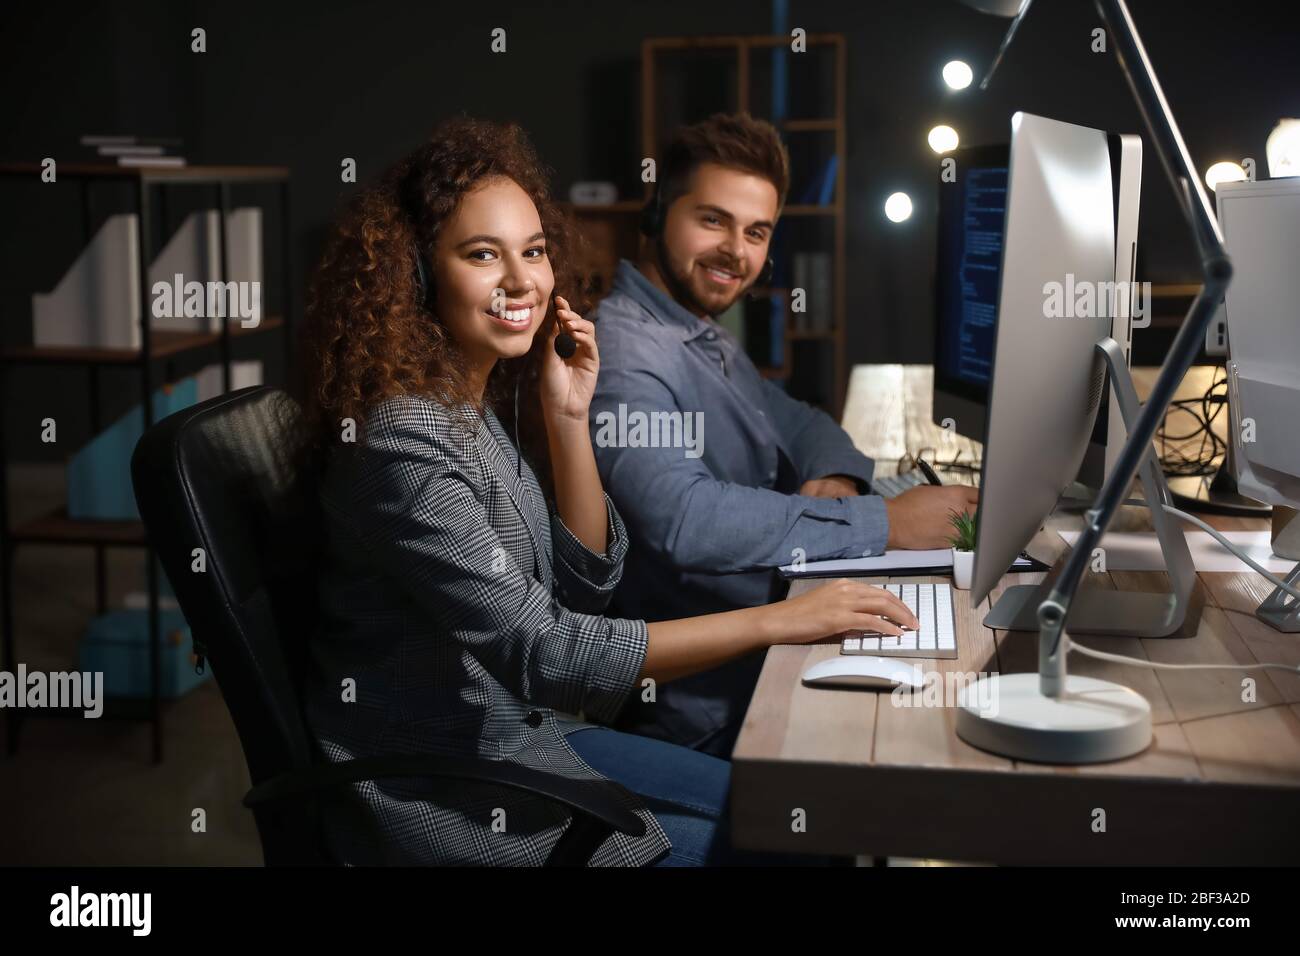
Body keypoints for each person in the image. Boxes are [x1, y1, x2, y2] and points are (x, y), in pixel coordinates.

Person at [295, 117, 919, 866]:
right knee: (787, 842)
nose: (522, 281)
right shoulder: (402, 442)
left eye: (532, 252)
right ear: (420, 274)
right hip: (447, 786)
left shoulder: (469, 410)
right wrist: (785, 620)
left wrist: (568, 420)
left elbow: (579, 593)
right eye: (482, 254)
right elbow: (550, 652)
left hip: (528, 732)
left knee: (800, 816)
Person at [589, 112, 979, 758]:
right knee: (929, 746)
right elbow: (682, 519)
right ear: (657, 212)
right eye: (712, 220)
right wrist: (884, 522)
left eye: (757, 232)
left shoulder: (697, 327)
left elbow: (801, 419)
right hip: (708, 711)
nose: (736, 252)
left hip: (772, 650)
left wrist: (841, 483)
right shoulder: (628, 352)